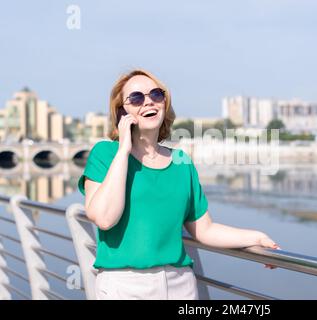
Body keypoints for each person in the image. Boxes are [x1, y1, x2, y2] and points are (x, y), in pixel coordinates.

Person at [77, 69, 280, 300]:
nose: (148, 101)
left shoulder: (182, 162)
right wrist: (124, 149)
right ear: (122, 111)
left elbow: (204, 230)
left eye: (156, 94)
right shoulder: (105, 153)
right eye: (136, 98)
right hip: (124, 286)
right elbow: (104, 218)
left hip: (180, 285)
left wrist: (256, 237)